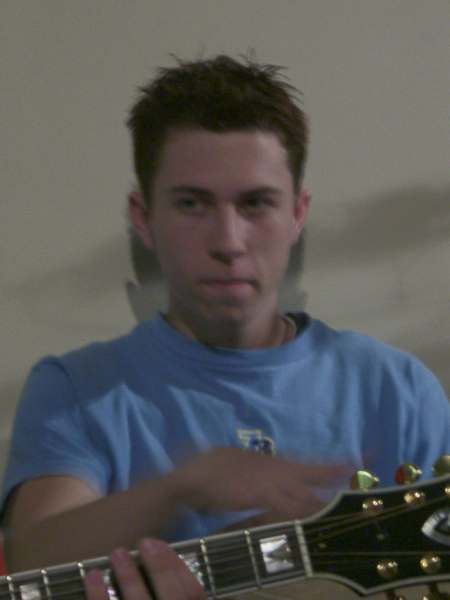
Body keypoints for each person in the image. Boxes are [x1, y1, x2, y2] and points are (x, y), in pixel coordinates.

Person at [1, 52, 449, 585]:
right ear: (144, 218)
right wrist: (185, 487)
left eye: (256, 203)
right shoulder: (76, 387)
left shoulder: (396, 389)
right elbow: (31, 565)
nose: (228, 242)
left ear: (297, 214)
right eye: (192, 204)